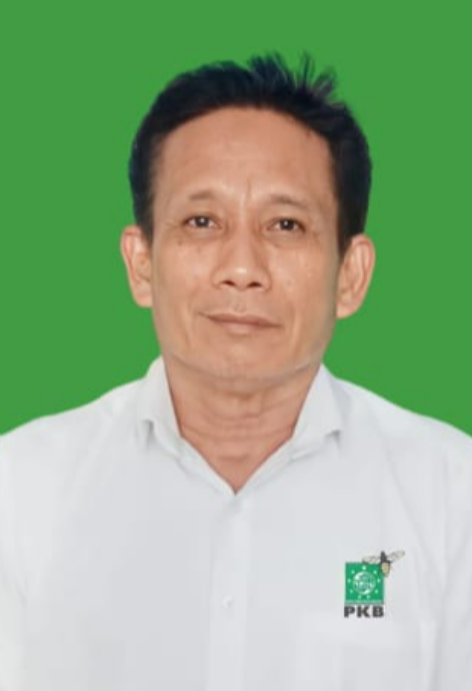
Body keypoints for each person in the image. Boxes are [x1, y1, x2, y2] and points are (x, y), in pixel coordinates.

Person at [0, 53, 471, 691]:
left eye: (285, 225)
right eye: (202, 222)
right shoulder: (21, 492)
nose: (242, 268)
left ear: (351, 275)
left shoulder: (451, 498)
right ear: (141, 264)